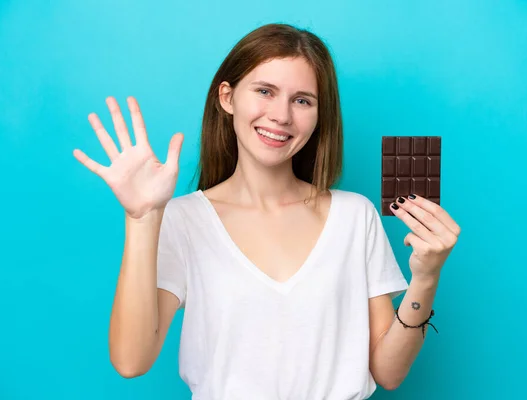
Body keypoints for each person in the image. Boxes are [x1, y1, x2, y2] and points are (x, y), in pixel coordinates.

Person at [74, 23, 460, 400]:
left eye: (302, 100)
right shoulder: (184, 219)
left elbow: (389, 373)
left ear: (318, 114)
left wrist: (425, 277)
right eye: (264, 91)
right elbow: (131, 361)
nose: (281, 116)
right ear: (227, 97)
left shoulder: (355, 216)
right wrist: (142, 220)